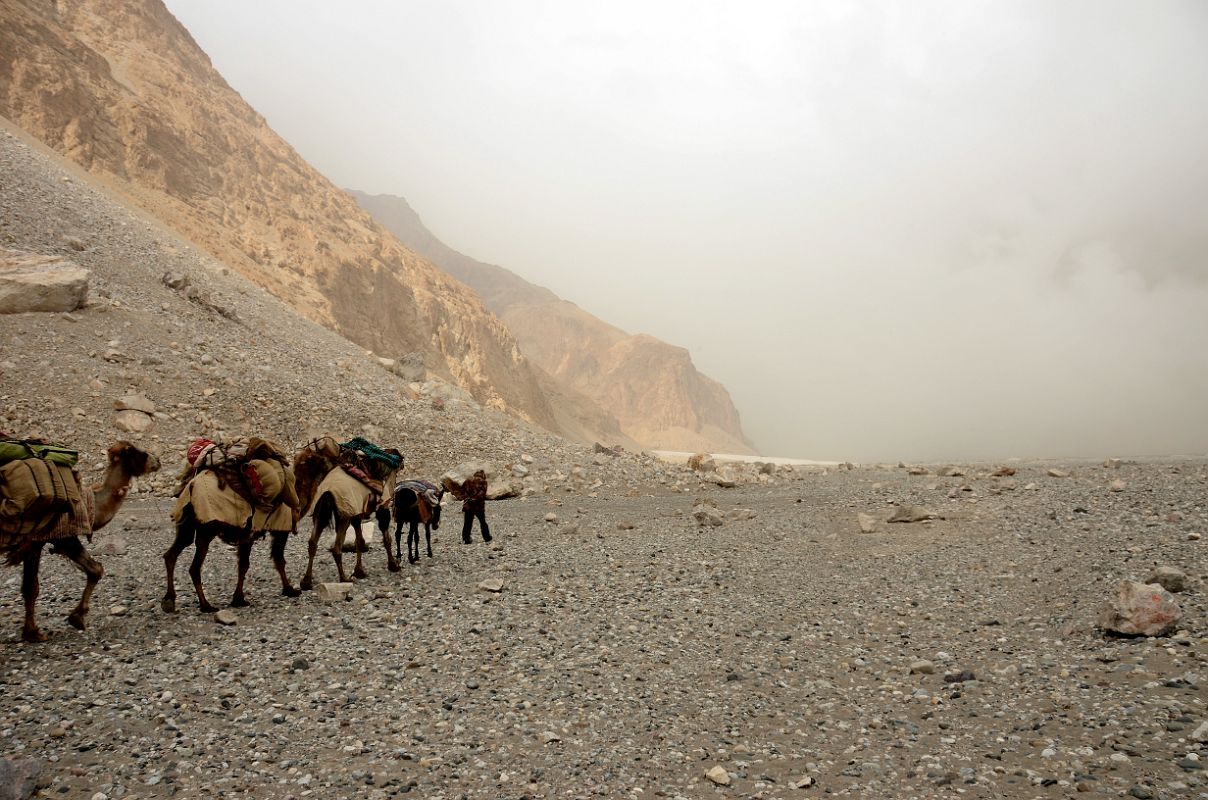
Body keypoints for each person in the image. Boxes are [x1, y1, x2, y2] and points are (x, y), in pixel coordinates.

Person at [461, 469, 491, 544]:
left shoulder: (468, 481)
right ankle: (487, 538)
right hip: (478, 506)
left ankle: (466, 538)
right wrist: (475, 499)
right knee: (482, 522)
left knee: (467, 522)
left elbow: (462, 492)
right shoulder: (484, 482)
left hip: (468, 505)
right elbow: (482, 493)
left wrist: (467, 498)